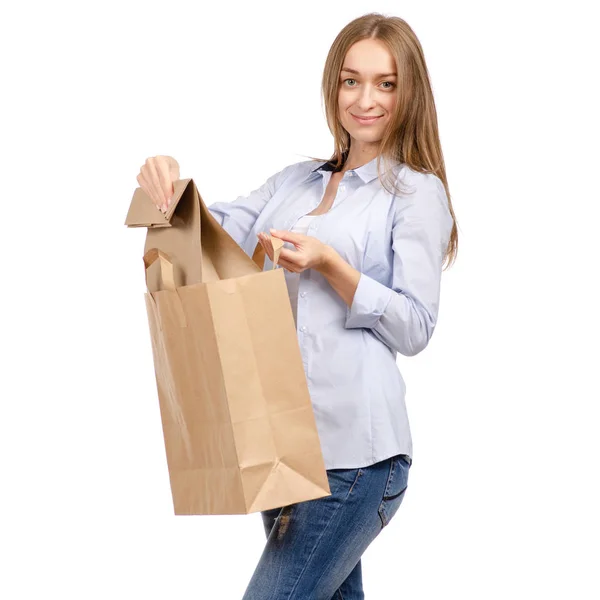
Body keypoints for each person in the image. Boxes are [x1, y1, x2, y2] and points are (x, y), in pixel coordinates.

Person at [135, 12, 458, 600]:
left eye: (386, 83)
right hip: (282, 448)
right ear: (333, 85)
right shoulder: (295, 183)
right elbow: (209, 231)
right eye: (351, 80)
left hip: (355, 457)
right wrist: (167, 185)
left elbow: (416, 326)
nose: (365, 99)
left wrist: (331, 264)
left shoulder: (415, 192)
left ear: (409, 92)